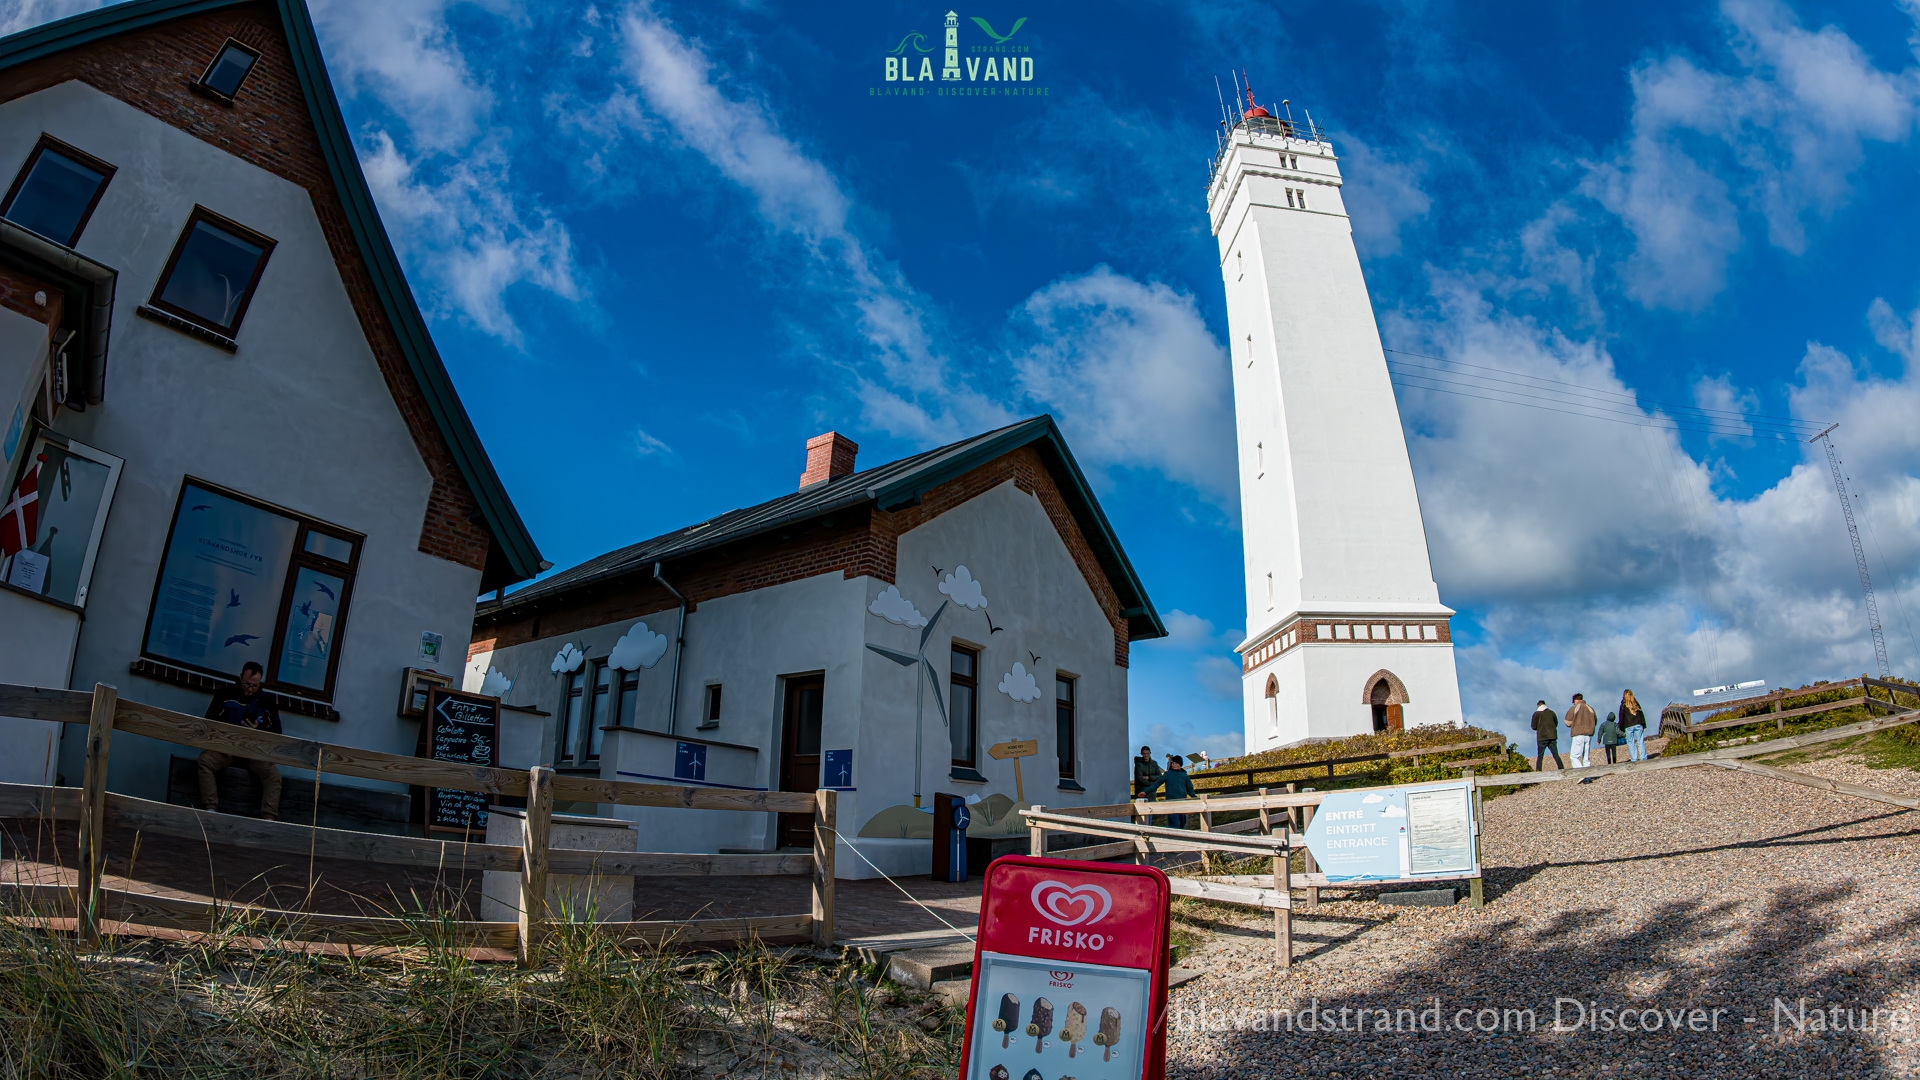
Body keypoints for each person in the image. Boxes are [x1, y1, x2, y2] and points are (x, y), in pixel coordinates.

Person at [199, 661, 283, 820]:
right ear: (240, 678)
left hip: (253, 752)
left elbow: (277, 733)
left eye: (255, 686)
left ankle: (269, 818)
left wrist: (258, 730)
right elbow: (208, 722)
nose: (250, 689)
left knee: (273, 776)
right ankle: (210, 809)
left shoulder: (267, 703)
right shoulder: (224, 695)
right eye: (247, 684)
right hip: (226, 749)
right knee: (205, 761)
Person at [1141, 754, 1196, 828]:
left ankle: (1182, 839)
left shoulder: (1184, 775)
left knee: (1182, 824)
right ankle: (1173, 838)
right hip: (1171, 803)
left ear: (1180, 764)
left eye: (1176, 763)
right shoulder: (1168, 774)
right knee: (1174, 824)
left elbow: (1190, 789)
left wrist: (1195, 798)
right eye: (1173, 763)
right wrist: (1146, 792)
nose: (1174, 765)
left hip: (1183, 802)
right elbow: (1156, 784)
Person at [1565, 693, 1596, 769]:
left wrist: (1574, 723)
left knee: (1574, 756)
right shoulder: (1590, 708)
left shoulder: (1575, 708)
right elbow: (1595, 721)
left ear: (1575, 700)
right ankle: (1588, 776)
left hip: (1578, 734)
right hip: (1588, 735)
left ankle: (1581, 773)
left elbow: (1567, 722)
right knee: (1586, 758)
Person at [1531, 700, 1564, 771]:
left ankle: (1538, 770)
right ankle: (1561, 768)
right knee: (1555, 754)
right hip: (1552, 736)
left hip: (1542, 737)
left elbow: (1533, 726)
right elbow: (1556, 723)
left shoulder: (1536, 714)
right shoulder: (1552, 713)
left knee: (1540, 756)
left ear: (1538, 705)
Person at [1619, 689, 1649, 762]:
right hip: (1638, 724)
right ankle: (1643, 757)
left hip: (1628, 725)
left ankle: (1634, 758)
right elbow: (1641, 714)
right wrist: (1644, 724)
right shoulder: (1635, 703)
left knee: (1630, 743)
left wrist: (1621, 728)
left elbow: (1621, 717)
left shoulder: (1623, 705)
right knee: (1640, 741)